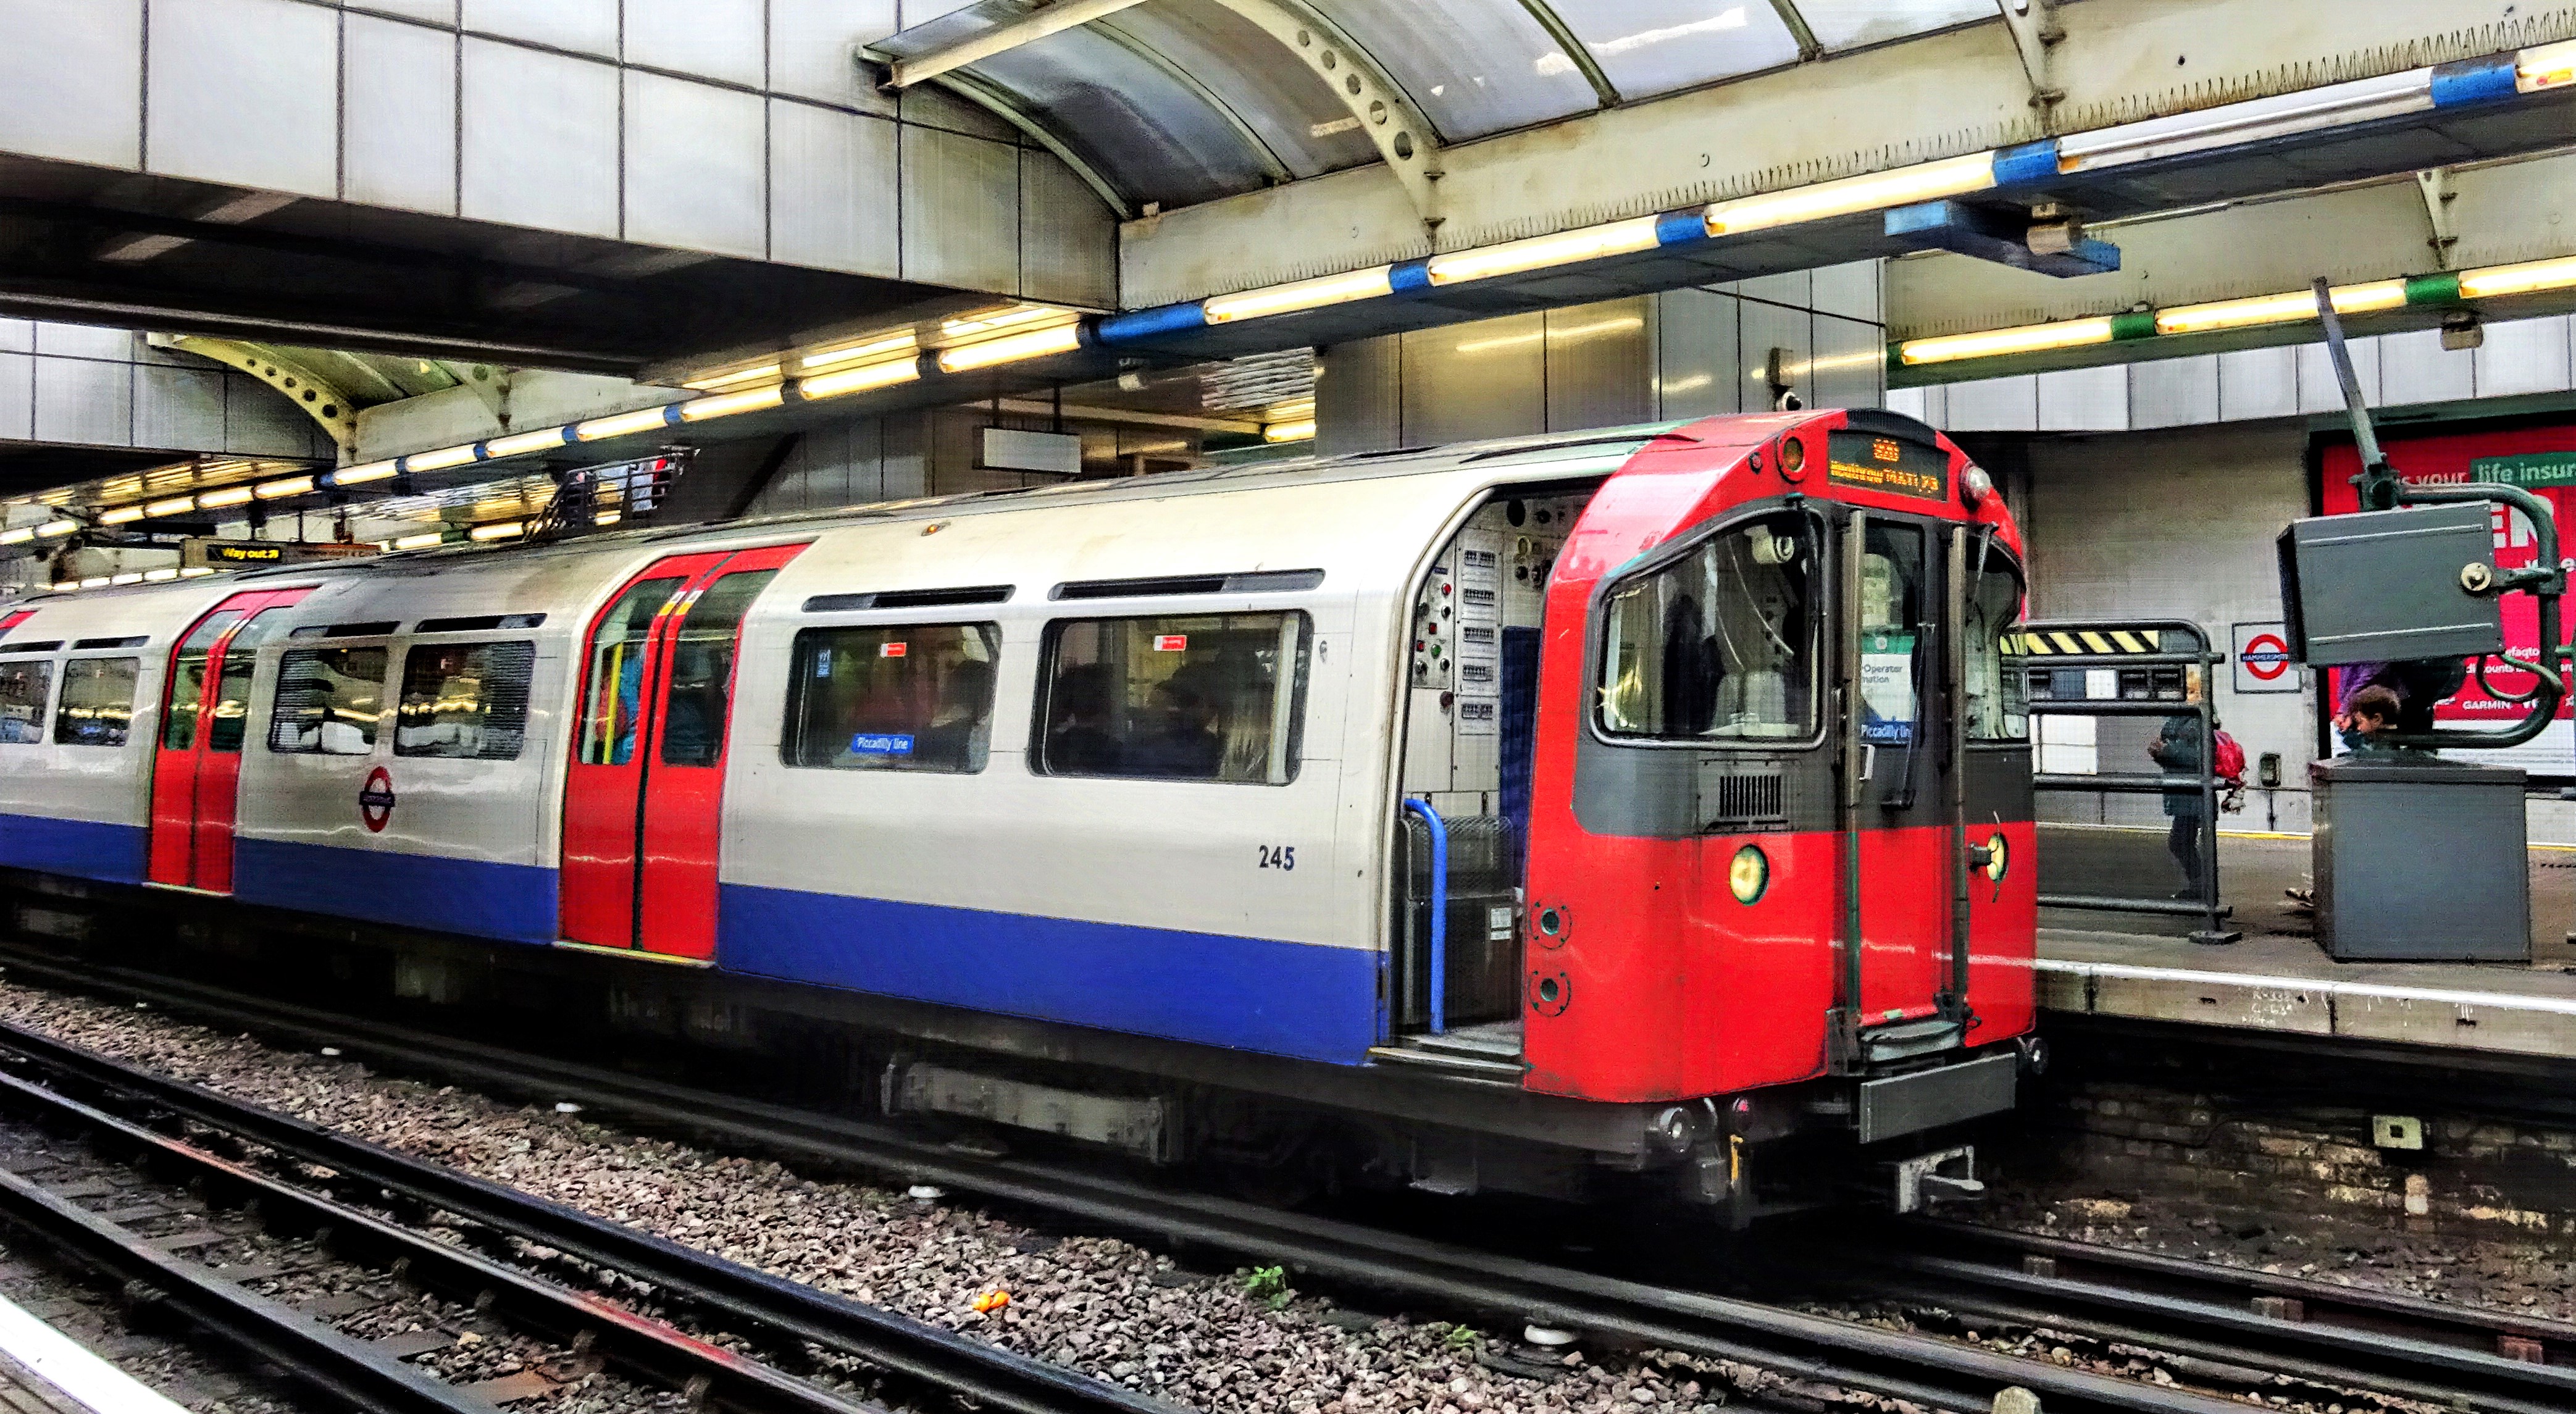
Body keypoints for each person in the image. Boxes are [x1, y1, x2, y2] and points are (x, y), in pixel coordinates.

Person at [2150, 708, 2207, 898]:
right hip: (2184, 792)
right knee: (2183, 841)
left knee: (2180, 842)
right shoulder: (2178, 721)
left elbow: (2199, 758)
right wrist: (2161, 754)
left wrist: (2168, 751)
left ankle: (2202, 888)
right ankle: (2201, 887)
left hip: (2193, 793)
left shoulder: (2198, 721)